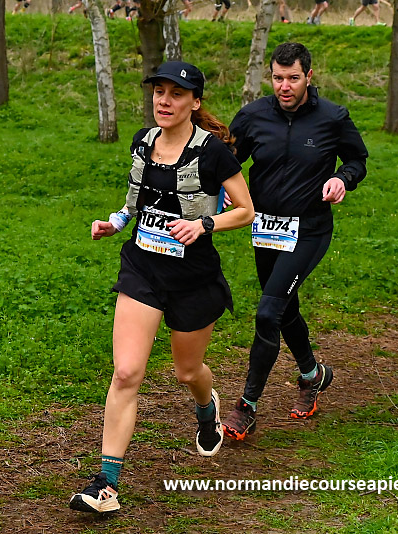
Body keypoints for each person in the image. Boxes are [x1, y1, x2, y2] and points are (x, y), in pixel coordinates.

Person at [69, 61, 254, 514]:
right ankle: (106, 485)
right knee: (126, 373)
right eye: (159, 92)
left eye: (176, 94)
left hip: (193, 278)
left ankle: (206, 406)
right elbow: (138, 202)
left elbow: (246, 210)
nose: (164, 101)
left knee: (188, 372)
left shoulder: (213, 152)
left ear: (195, 101)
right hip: (143, 268)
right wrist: (115, 223)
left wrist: (204, 224)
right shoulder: (143, 142)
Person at [223, 43, 368, 440]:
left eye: (292, 78)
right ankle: (312, 375)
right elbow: (228, 162)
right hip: (265, 227)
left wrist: (342, 178)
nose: (284, 86)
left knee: (268, 312)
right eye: (277, 78)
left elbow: (357, 160)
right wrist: (222, 191)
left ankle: (246, 407)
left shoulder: (332, 118)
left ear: (309, 76)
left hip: (309, 229)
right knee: (284, 308)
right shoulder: (253, 116)